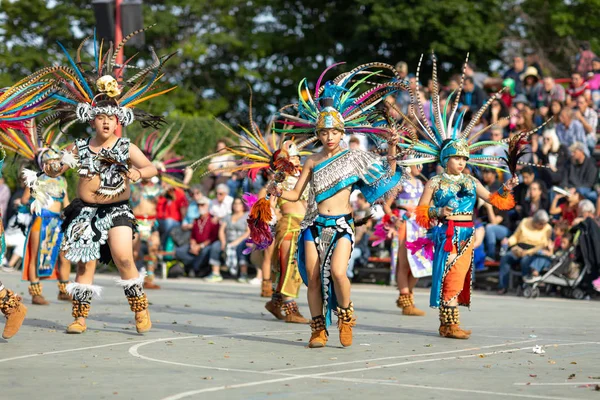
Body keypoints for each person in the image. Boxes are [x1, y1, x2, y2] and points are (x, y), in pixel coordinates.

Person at [39, 29, 173, 334]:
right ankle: (79, 317)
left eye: (111, 118)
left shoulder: (126, 148)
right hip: (84, 211)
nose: (106, 122)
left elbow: (151, 168)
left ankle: (140, 309)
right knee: (85, 265)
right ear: (92, 119)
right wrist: (54, 165)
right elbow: (52, 166)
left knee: (124, 256)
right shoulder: (78, 147)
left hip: (118, 209)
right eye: (101, 118)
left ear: (118, 120)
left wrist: (139, 173)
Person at [270, 63, 404, 348]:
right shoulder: (311, 161)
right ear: (318, 133)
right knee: (314, 278)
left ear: (341, 131)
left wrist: (392, 147)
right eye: (324, 132)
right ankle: (318, 328)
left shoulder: (353, 157)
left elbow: (386, 173)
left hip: (342, 224)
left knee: (339, 273)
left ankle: (346, 316)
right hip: (313, 225)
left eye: (333, 132)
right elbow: (295, 196)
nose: (329, 137)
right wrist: (276, 191)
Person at [402, 55, 520, 340]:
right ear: (445, 159)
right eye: (456, 157)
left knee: (458, 277)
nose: (462, 161)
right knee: (449, 276)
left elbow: (494, 201)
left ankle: (448, 323)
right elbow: (421, 212)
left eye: (464, 157)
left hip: (468, 232)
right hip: (448, 232)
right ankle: (448, 324)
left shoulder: (471, 180)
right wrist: (437, 214)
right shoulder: (435, 181)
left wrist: (507, 188)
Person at [264, 140, 310, 324]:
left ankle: (276, 302)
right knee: (291, 264)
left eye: (299, 157)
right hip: (289, 225)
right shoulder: (279, 179)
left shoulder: (301, 180)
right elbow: (270, 203)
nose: (298, 161)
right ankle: (290, 308)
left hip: (303, 224)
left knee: (291, 265)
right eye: (294, 158)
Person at [384, 162, 431, 316]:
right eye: (417, 164)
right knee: (404, 264)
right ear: (409, 165)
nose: (421, 167)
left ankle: (406, 298)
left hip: (419, 226)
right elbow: (386, 205)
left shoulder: (421, 183)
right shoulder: (400, 182)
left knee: (418, 263)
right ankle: (407, 302)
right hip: (405, 225)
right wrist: (393, 218)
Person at [497, 210, 553, 292]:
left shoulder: (548, 228)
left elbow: (542, 245)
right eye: (540, 223)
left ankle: (526, 285)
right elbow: (516, 236)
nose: (543, 225)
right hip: (519, 248)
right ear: (535, 221)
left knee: (525, 261)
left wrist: (526, 252)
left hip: (533, 251)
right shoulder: (525, 222)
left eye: (544, 223)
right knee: (506, 258)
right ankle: (502, 286)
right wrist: (508, 242)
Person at [175, 197, 219, 277]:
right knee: (179, 251)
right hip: (196, 245)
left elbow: (213, 237)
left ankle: (196, 268)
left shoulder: (212, 220)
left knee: (206, 251)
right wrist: (193, 245)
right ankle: (194, 267)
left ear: (208, 206)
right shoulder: (196, 220)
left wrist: (200, 246)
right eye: (198, 205)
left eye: (202, 205)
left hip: (206, 245)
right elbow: (193, 236)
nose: (200, 207)